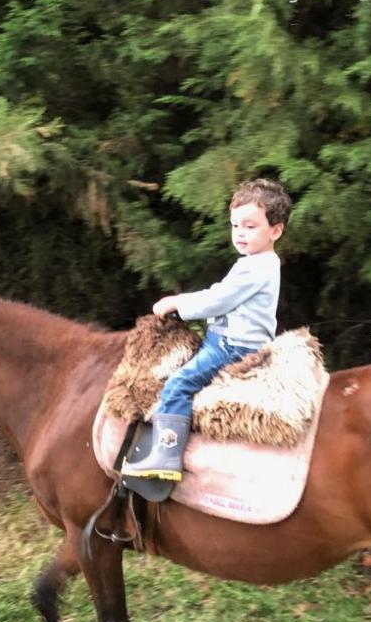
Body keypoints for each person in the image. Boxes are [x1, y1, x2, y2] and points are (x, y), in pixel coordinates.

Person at [121, 178, 289, 483]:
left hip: (232, 347)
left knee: (178, 384)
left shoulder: (257, 267)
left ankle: (166, 454)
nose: (240, 233)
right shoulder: (256, 263)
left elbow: (217, 300)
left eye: (250, 226)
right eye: (235, 225)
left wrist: (177, 303)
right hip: (226, 341)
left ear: (275, 230)